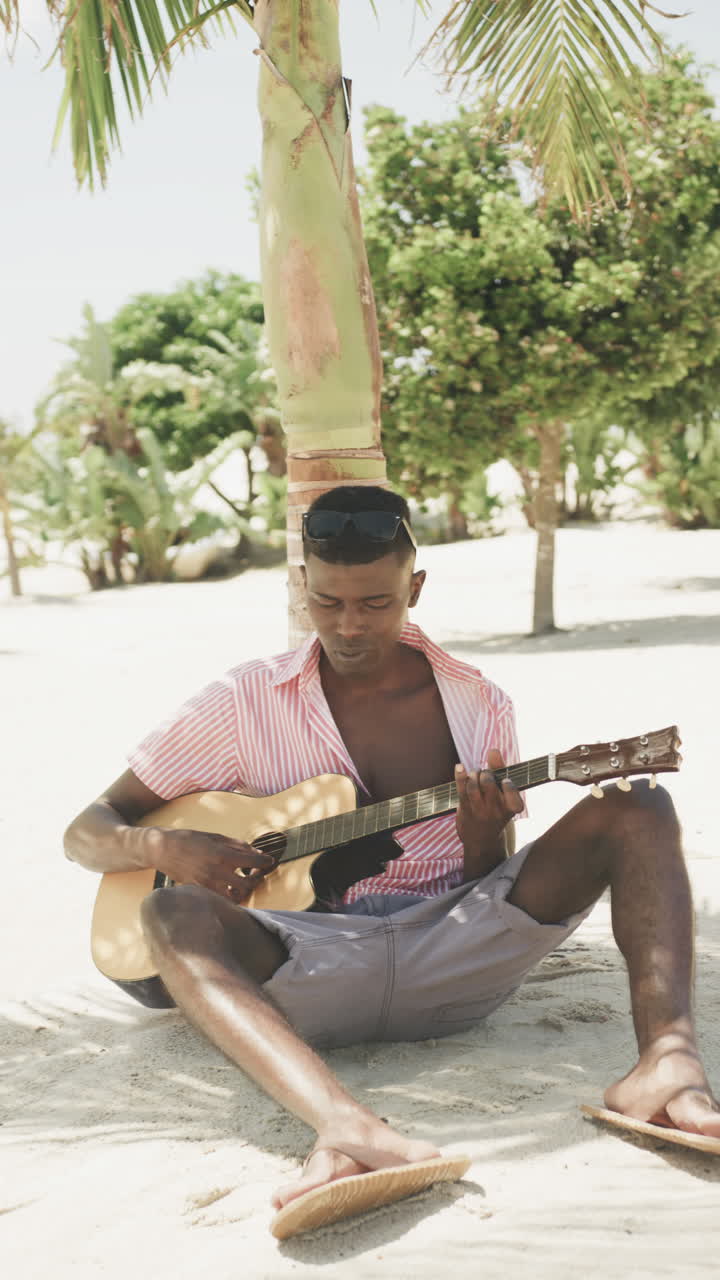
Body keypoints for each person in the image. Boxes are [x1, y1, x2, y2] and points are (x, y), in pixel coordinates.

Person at [65, 484, 720, 1224]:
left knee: (640, 807)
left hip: (455, 948)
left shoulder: (479, 701)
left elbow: (490, 878)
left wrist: (481, 837)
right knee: (169, 911)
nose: (348, 626)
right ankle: (344, 1128)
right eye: (328, 603)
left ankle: (665, 1066)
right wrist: (162, 844)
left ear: (415, 588)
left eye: (375, 603)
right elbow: (85, 831)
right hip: (304, 964)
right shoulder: (241, 701)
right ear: (301, 587)